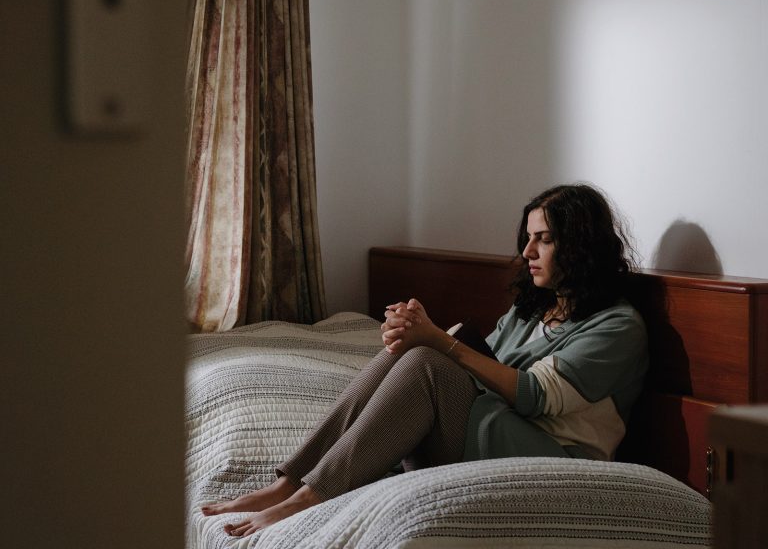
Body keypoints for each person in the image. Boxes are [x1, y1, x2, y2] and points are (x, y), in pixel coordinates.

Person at [201, 183, 649, 537]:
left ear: (581, 246)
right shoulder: (533, 310)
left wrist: (438, 342)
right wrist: (419, 331)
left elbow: (532, 396)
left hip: (556, 458)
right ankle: (290, 483)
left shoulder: (616, 327)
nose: (528, 253)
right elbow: (480, 359)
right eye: (528, 239)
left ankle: (308, 497)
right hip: (493, 432)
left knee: (427, 365)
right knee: (411, 352)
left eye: (544, 240)